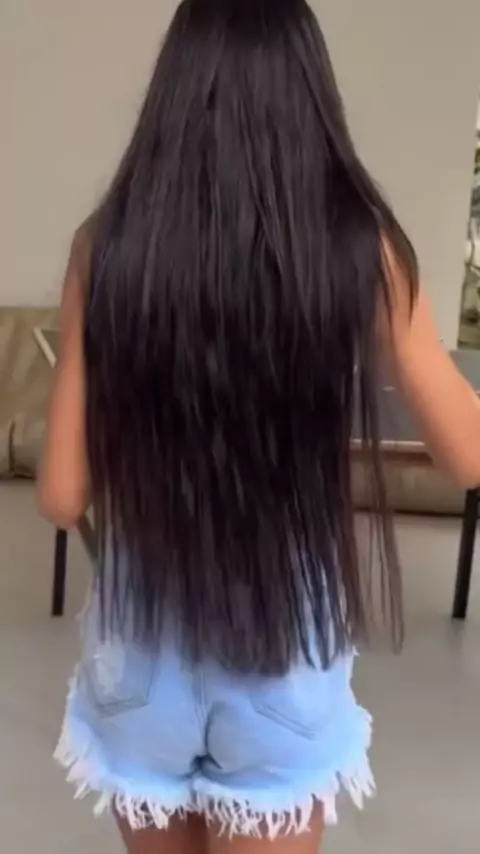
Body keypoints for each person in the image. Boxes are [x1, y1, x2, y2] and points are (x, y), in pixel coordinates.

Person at [38, 1, 480, 852]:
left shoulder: (106, 247)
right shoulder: (364, 251)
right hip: (283, 648)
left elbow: (61, 495)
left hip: (141, 657)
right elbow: (468, 456)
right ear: (309, 94)